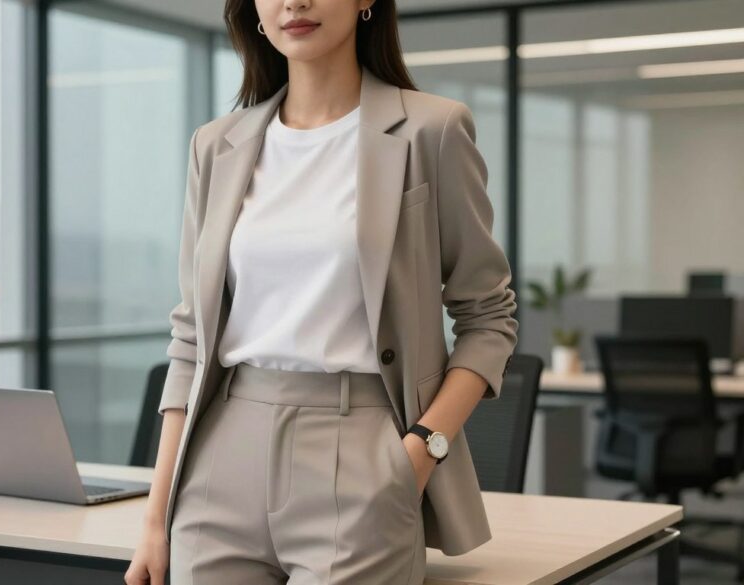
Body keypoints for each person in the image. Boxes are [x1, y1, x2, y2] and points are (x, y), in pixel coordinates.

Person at [127, 0, 519, 583]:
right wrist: (156, 517)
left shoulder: (431, 130)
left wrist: (420, 451)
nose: (295, 1)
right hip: (221, 454)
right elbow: (192, 337)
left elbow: (488, 316)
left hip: (362, 447)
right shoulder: (217, 145)